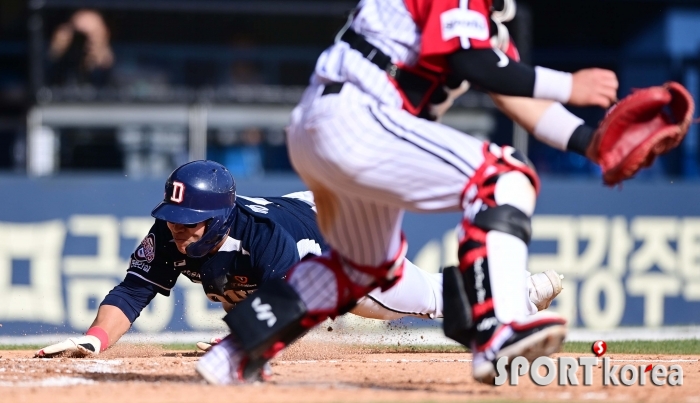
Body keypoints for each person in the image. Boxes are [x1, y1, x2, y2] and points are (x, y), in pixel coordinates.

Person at [194, 0, 631, 386]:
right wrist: (568, 85)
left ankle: (235, 353)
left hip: (328, 122)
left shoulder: (481, 20)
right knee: (502, 177)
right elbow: (469, 62)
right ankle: (498, 329)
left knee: (361, 268)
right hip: (357, 113)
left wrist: (592, 142)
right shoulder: (465, 14)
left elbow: (515, 94)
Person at [35, 160, 563, 358]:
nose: (178, 228)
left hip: (341, 239)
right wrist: (95, 338)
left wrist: (241, 335)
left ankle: (519, 293)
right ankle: (515, 290)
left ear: (221, 217)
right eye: (174, 217)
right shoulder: (170, 230)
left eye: (192, 220)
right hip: (304, 218)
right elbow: (133, 289)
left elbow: (291, 301)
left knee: (417, 300)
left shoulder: (259, 234)